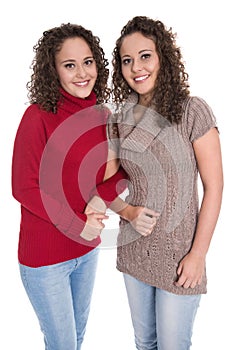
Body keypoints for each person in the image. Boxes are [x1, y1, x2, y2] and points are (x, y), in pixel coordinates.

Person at [107, 16, 223, 350]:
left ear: (163, 58)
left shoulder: (192, 111)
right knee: (145, 342)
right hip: (133, 251)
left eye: (145, 56)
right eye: (127, 60)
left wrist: (198, 254)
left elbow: (214, 186)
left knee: (173, 345)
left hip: (180, 255)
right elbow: (106, 186)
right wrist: (127, 212)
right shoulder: (119, 119)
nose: (136, 67)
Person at [11, 23, 129, 350]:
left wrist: (100, 199)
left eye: (88, 62)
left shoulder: (103, 115)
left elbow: (124, 172)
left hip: (86, 251)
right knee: (62, 344)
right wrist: (77, 222)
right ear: (54, 71)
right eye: (69, 65)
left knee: (75, 341)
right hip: (45, 257)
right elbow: (24, 188)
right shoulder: (38, 116)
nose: (81, 73)